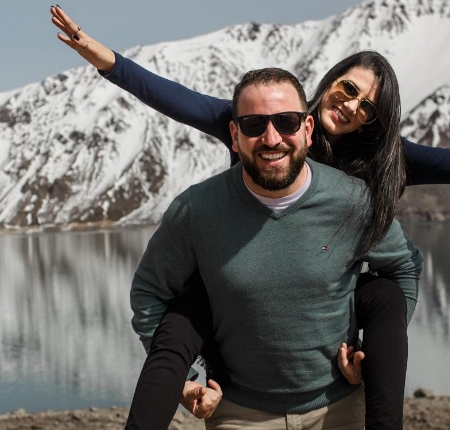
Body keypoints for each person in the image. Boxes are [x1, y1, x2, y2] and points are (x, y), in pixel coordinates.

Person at [48, 6, 450, 429]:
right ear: (326, 86)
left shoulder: (374, 169)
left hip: (337, 290)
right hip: (239, 274)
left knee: (382, 296)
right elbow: (172, 97)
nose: (349, 106)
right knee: (184, 313)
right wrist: (105, 60)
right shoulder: (262, 125)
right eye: (347, 88)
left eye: (365, 107)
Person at [130, 65, 422, 428]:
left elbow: (403, 269)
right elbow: (149, 293)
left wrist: (370, 353)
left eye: (286, 122)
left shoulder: (353, 201)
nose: (271, 138)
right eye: (254, 125)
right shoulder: (195, 211)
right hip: (239, 415)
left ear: (307, 130)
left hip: (340, 409)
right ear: (234, 136)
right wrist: (187, 382)